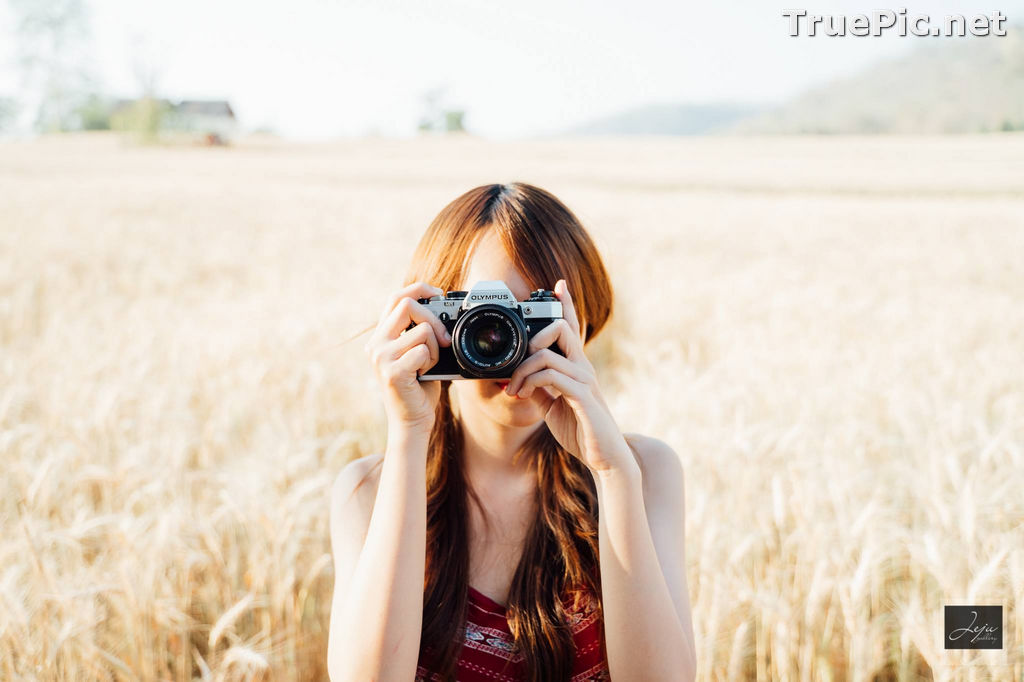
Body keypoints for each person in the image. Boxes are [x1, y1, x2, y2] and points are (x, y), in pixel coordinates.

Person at [327, 182, 696, 682]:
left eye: (535, 316)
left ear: (583, 320)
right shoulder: (367, 491)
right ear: (430, 323)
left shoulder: (644, 473)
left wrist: (611, 472)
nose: (513, 344)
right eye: (489, 320)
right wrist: (409, 434)